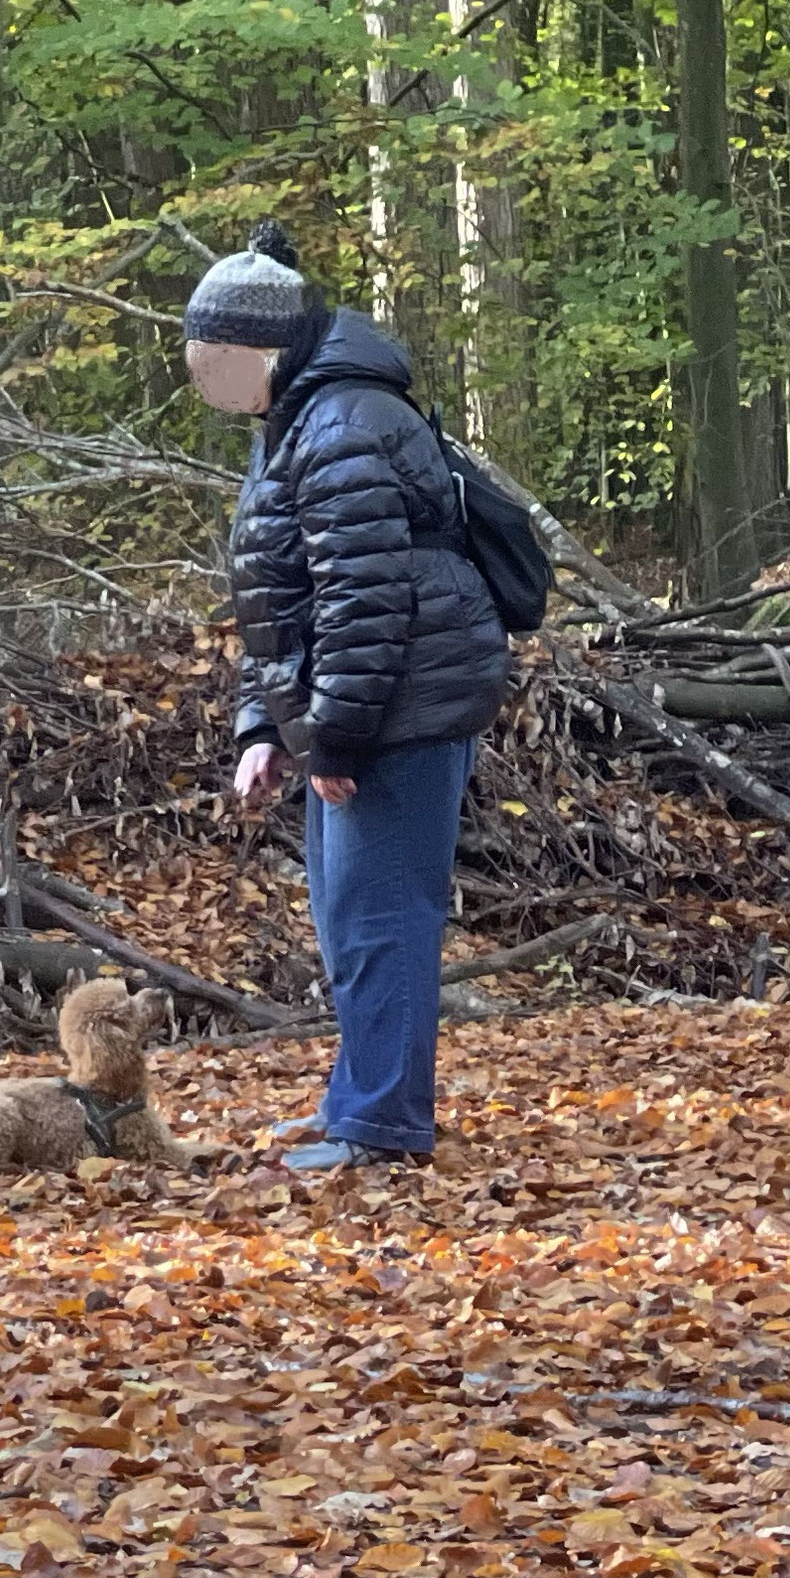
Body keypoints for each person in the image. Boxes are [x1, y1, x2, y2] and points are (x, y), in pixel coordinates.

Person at [182, 220, 510, 1171]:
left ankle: (381, 1126)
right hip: (370, 705)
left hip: (405, 705)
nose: (202, 376)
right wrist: (266, 727)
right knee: (345, 916)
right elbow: (279, 600)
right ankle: (356, 1103)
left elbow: (366, 604)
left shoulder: (343, 424)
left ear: (259, 351)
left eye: (213, 356)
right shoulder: (296, 420)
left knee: (380, 918)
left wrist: (334, 740)